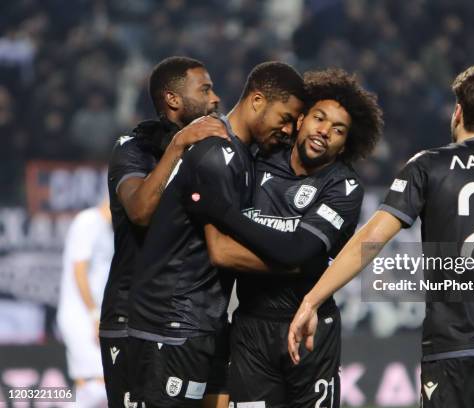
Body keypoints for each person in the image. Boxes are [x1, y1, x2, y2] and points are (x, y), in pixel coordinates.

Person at [287, 65, 474, 408]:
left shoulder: (430, 166)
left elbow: (371, 240)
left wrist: (311, 300)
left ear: (458, 112)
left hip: (457, 352)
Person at [127, 61, 304, 408]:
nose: (286, 130)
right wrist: (297, 267)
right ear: (256, 101)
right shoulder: (215, 152)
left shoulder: (240, 154)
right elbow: (221, 251)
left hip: (202, 318)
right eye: (283, 118)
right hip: (172, 320)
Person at [204, 68, 383, 407]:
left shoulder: (343, 187)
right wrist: (297, 266)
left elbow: (299, 250)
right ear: (300, 120)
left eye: (338, 129)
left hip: (311, 329)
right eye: (319, 118)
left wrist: (226, 216)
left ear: (347, 142)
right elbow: (293, 259)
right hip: (251, 329)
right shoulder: (258, 160)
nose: (324, 131)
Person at [100, 56, 226, 408]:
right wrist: (178, 145)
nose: (215, 98)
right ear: (173, 99)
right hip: (130, 321)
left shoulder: (210, 152)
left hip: (190, 317)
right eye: (205, 89)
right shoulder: (134, 149)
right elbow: (140, 211)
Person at [57, 200, 113, 408]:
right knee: (101, 381)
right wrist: (93, 315)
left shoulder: (106, 229)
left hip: (93, 314)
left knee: (87, 385)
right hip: (81, 316)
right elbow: (79, 270)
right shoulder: (88, 221)